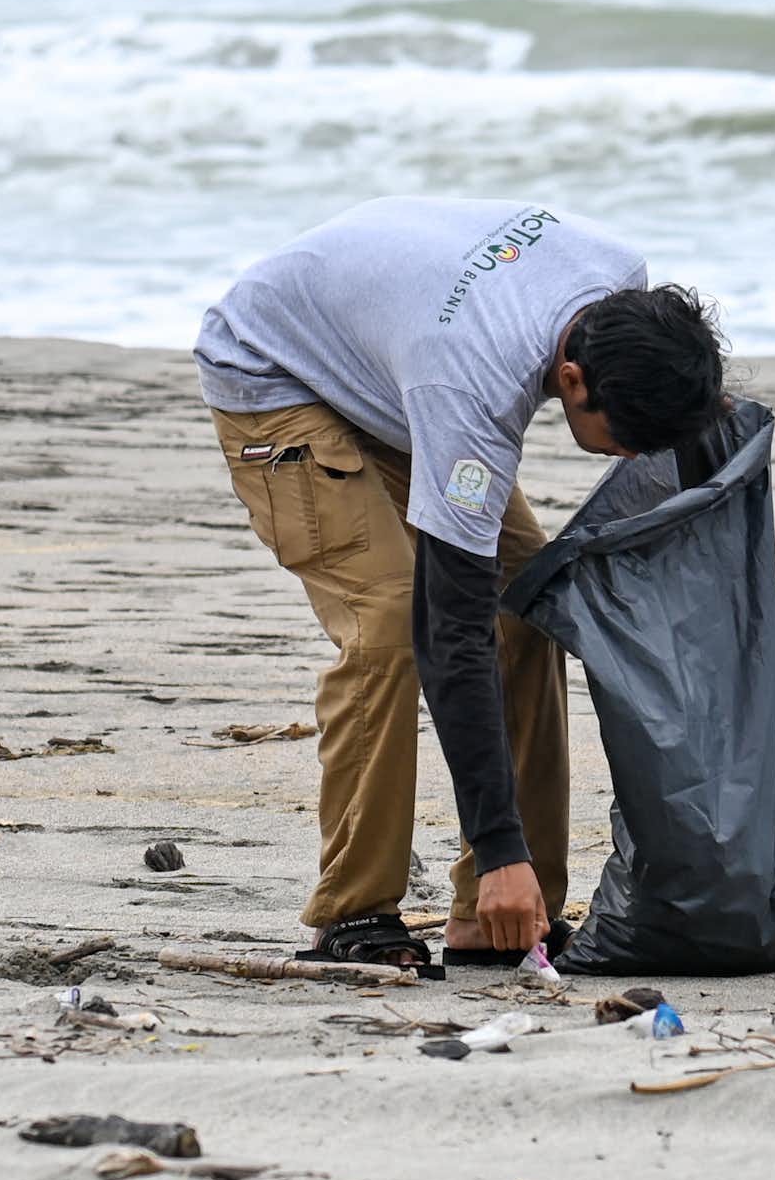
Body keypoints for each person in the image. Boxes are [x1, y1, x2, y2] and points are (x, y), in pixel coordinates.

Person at [194, 199, 727, 975]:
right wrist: (498, 843)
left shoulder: (620, 276)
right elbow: (452, 628)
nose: (630, 458)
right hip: (276, 370)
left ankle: (499, 915)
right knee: (388, 624)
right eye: (624, 439)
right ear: (571, 380)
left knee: (531, 610)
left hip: (398, 362)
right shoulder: (472, 390)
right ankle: (354, 911)